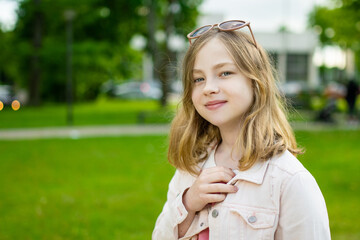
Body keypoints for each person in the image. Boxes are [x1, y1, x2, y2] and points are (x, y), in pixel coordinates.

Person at [152, 20, 330, 240]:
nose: (208, 88)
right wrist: (188, 203)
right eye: (198, 79)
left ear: (256, 81)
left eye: (225, 73)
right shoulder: (191, 168)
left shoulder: (289, 181)